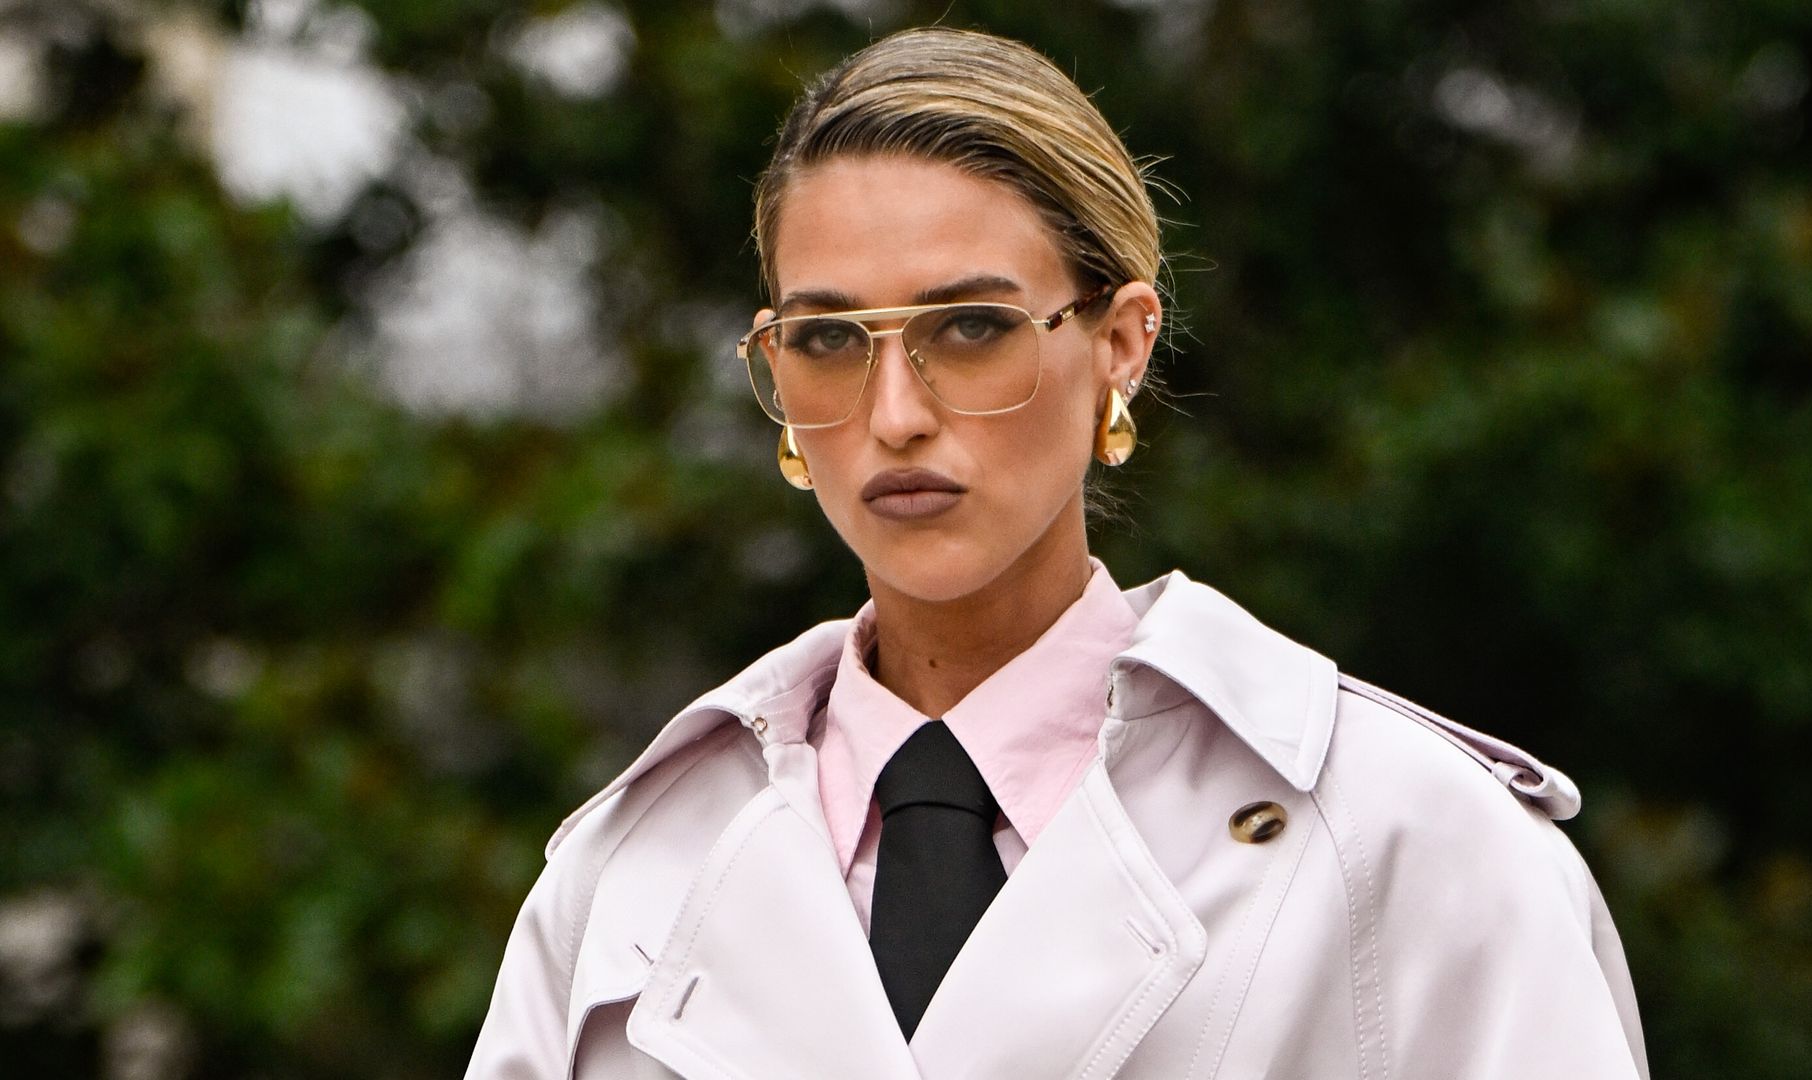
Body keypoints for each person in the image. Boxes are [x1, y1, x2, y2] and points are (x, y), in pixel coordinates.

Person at [466, 26, 1649, 1080]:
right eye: (828, 338)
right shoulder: (628, 878)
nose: (894, 415)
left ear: (1122, 344)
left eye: (970, 327)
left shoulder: (1407, 838)